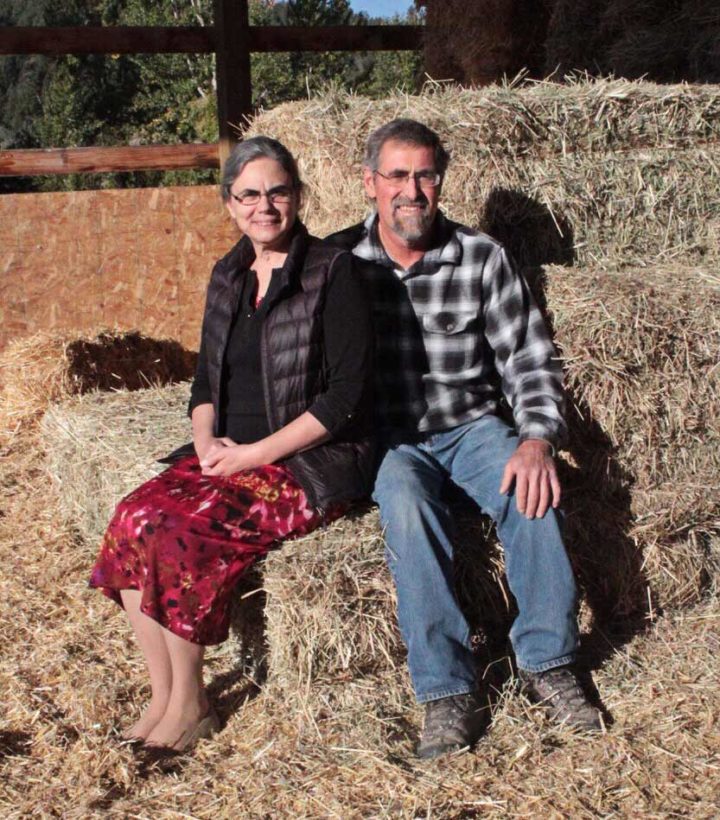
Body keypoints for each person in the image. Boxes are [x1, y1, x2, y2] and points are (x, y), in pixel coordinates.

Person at [90, 136, 374, 753]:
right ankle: (163, 695)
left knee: (179, 534)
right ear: (229, 204)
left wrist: (251, 455)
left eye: (277, 192)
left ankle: (192, 705)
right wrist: (205, 441)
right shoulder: (227, 274)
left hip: (304, 463)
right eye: (249, 195)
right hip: (228, 451)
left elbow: (346, 396)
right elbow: (203, 380)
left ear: (297, 196)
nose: (264, 206)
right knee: (133, 518)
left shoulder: (333, 270)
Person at [328, 119, 601, 759]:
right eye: (397, 175)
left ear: (441, 180)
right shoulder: (340, 263)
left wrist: (537, 438)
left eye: (425, 174)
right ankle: (448, 692)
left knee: (533, 491)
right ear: (370, 183)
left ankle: (547, 660)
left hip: (474, 427)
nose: (412, 190)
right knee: (403, 504)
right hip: (394, 440)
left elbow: (528, 360)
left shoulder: (482, 256)